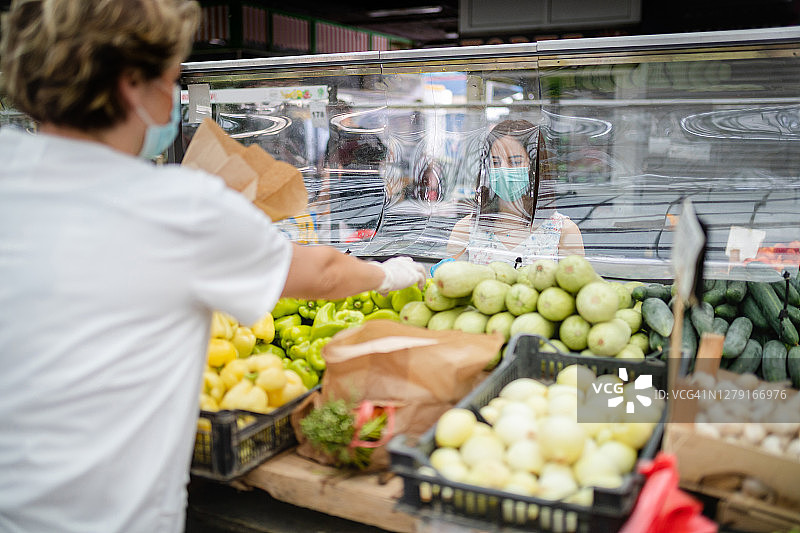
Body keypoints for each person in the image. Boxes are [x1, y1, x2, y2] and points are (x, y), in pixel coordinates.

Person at [0, 2, 426, 533]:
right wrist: (394, 274)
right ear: (132, 83)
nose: (175, 97)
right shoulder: (175, 206)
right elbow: (324, 275)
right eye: (173, 79)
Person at [445, 119, 584, 265]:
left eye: (515, 162)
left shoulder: (564, 232)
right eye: (496, 162)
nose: (503, 170)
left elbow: (575, 281)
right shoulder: (465, 230)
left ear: (533, 167)